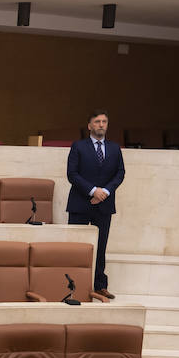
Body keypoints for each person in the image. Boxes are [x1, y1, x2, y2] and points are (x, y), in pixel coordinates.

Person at [66, 110, 124, 299]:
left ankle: (100, 285)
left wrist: (104, 192)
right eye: (97, 121)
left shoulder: (115, 148)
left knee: (101, 247)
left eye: (104, 121)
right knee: (76, 247)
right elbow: (72, 174)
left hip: (104, 206)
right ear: (89, 126)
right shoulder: (78, 146)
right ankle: (71, 284)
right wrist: (93, 191)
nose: (101, 124)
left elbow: (120, 173)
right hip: (80, 204)